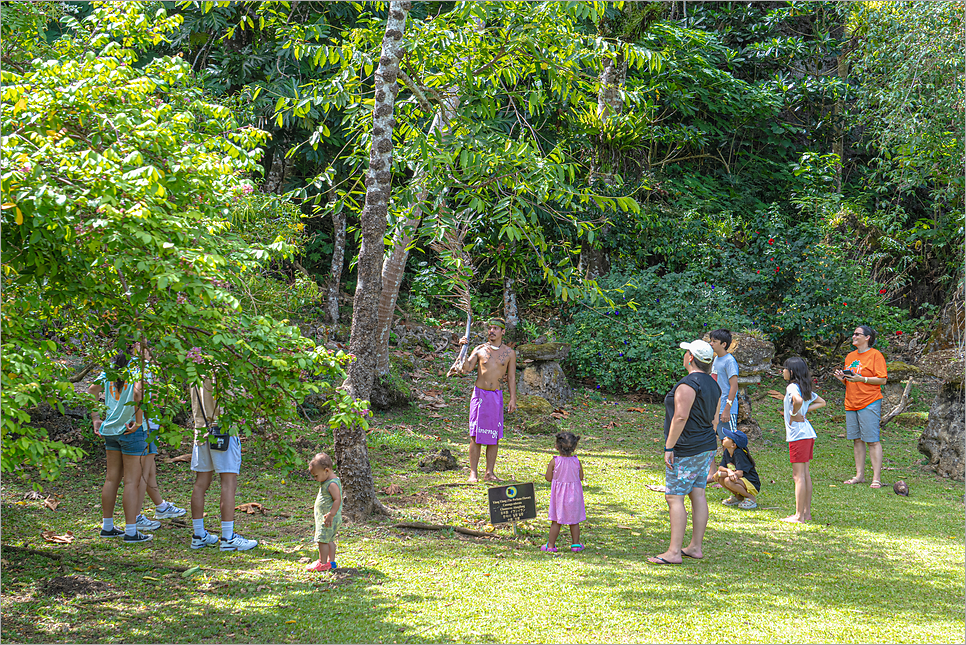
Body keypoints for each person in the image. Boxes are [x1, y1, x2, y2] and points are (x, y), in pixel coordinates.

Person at [649, 340, 720, 565]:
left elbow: (680, 417)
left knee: (674, 496)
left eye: (686, 352)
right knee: (697, 494)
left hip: (687, 448)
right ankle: (695, 547)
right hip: (706, 445)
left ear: (690, 357)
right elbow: (714, 420)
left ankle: (674, 552)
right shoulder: (713, 384)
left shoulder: (688, 385)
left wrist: (669, 447)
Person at [88, 346, 157, 543]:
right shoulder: (141, 368)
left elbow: (92, 390)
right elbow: (137, 394)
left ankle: (108, 527)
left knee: (111, 479)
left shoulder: (112, 368)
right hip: (132, 431)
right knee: (131, 482)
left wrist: (95, 418)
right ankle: (131, 531)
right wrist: (138, 420)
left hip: (110, 429)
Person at [188, 378, 258, 551]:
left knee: (200, 483)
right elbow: (239, 400)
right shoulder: (224, 369)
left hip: (201, 430)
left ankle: (198, 535)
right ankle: (227, 537)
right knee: (228, 483)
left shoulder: (195, 367)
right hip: (223, 430)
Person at [452, 317, 517, 482]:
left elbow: (511, 377)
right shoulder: (480, 350)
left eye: (496, 328)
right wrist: (463, 350)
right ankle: (473, 473)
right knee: (476, 435)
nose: (492, 331)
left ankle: (489, 472)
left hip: (496, 396)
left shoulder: (509, 353)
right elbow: (466, 368)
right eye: (490, 328)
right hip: (480, 396)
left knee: (493, 436)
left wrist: (512, 399)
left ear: (503, 331)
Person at [131, 341, 186, 522]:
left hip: (135, 424)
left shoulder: (120, 368)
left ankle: (161, 507)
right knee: (142, 474)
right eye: (145, 347)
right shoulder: (144, 370)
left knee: (150, 470)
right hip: (144, 425)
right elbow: (155, 399)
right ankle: (136, 517)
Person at [770, 357, 826, 523]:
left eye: (785, 369)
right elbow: (821, 402)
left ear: (792, 372)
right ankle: (806, 513)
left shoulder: (792, 387)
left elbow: (798, 400)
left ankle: (799, 516)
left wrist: (795, 413)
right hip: (807, 434)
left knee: (798, 476)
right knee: (805, 474)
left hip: (799, 435)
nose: (783, 372)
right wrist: (804, 412)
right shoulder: (804, 386)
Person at [834, 325, 888, 489]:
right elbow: (851, 379)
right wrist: (842, 378)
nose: (854, 336)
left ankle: (876, 478)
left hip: (869, 401)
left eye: (857, 334)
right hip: (851, 402)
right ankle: (859, 476)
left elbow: (882, 380)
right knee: (857, 440)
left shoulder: (875, 355)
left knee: (872, 440)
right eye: (853, 334)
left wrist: (862, 379)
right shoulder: (850, 356)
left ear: (867, 338)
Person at [541, 432, 586, 553]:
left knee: (556, 521)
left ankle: (550, 545)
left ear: (557, 446)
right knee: (574, 521)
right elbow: (581, 477)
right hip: (574, 496)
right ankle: (575, 545)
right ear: (574, 448)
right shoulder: (577, 462)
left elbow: (548, 478)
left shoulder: (554, 462)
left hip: (558, 497)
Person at [707, 329, 739, 485]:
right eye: (711, 340)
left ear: (724, 344)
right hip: (715, 409)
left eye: (714, 341)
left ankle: (732, 475)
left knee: (730, 444)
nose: (711, 343)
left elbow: (734, 387)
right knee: (711, 441)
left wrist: (727, 408)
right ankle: (714, 474)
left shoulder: (729, 361)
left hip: (727, 410)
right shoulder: (716, 360)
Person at [306, 452, 342, 572]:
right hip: (329, 517)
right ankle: (331, 562)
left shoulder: (331, 484)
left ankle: (323, 563)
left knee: (322, 541)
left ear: (326, 470)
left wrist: (331, 514)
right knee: (329, 540)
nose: (315, 479)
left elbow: (337, 499)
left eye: (316, 476)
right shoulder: (328, 481)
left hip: (328, 518)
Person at [713, 428, 760, 510]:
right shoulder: (727, 452)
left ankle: (751, 498)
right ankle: (738, 497)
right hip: (740, 481)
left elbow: (739, 473)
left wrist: (720, 473)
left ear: (733, 445)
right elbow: (721, 467)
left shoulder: (739, 453)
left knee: (728, 480)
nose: (724, 438)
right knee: (721, 479)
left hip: (751, 484)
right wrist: (728, 471)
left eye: (728, 438)